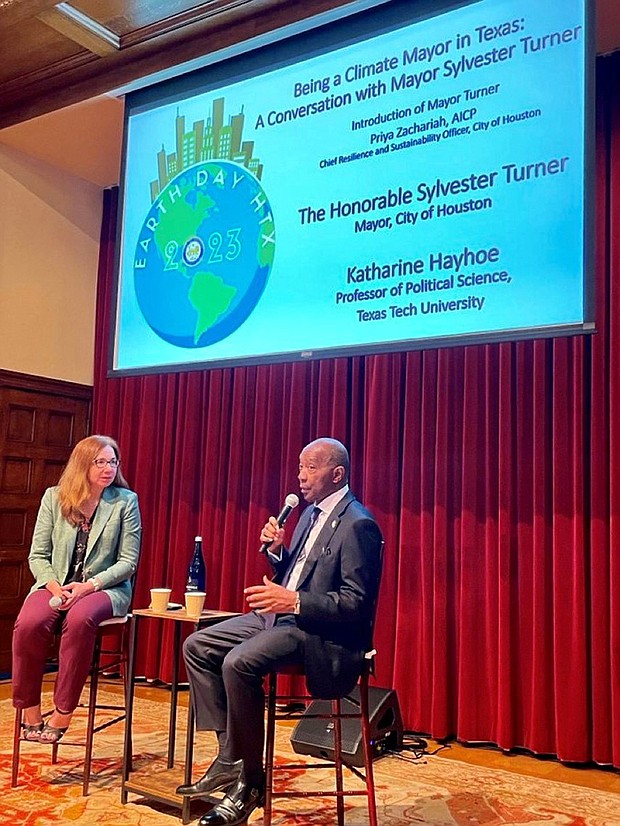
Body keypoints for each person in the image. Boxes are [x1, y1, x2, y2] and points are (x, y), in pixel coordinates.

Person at [178, 437, 383, 826]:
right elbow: (298, 574)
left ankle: (249, 783)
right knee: (198, 645)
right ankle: (230, 756)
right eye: (300, 468)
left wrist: (295, 602)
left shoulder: (359, 524)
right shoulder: (307, 515)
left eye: (310, 468)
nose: (300, 477)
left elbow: (356, 604)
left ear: (336, 474)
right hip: (282, 618)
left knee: (239, 662)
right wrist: (277, 553)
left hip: (320, 633)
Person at [12, 434, 141, 744]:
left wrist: (88, 586)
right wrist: (54, 584)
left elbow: (128, 562)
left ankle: (63, 711)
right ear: (83, 464)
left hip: (104, 589)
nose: (108, 468)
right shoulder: (54, 497)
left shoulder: (125, 501)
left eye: (113, 462)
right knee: (29, 623)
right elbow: (38, 555)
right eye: (100, 462)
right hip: (54, 583)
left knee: (80, 619)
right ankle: (29, 709)